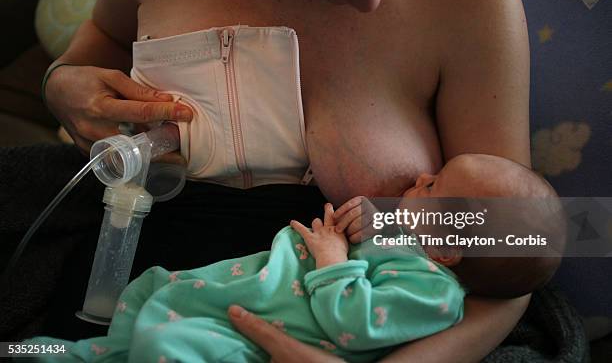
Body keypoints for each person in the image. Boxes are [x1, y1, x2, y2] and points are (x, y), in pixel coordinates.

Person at [34, 0, 532, 361]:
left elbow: (522, 249)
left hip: (339, 332)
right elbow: (105, 36)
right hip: (125, 291)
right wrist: (61, 81)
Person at [27, 153, 561, 362]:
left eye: (433, 186)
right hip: (212, 297)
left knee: (167, 345)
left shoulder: (435, 294)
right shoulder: (408, 246)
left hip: (249, 340)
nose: (418, 179)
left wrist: (333, 257)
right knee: (109, 337)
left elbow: (356, 322)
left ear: (446, 245)